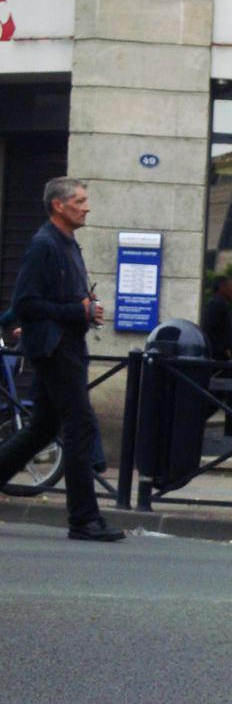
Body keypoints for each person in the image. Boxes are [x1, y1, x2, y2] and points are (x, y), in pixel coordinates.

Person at [0, 177, 123, 541]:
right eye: (80, 201)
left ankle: (86, 517)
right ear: (58, 205)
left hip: (66, 345)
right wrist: (77, 311)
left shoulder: (67, 244)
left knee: (42, 428)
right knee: (80, 426)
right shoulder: (44, 244)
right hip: (55, 350)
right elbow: (25, 302)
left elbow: (63, 302)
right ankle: (84, 519)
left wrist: (86, 311)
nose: (87, 207)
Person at [201, 275, 232, 362]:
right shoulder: (216, 305)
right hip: (219, 360)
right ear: (222, 288)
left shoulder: (222, 305)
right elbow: (209, 329)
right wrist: (224, 352)